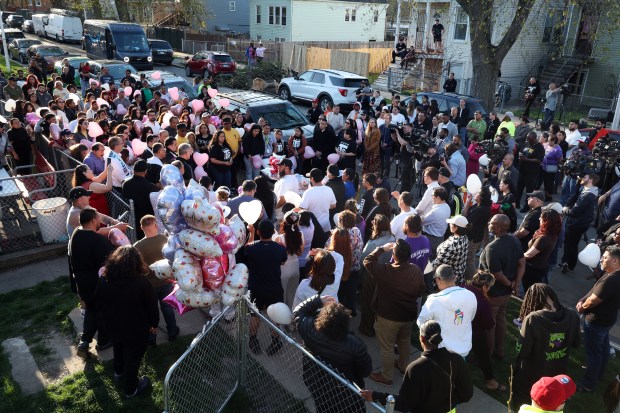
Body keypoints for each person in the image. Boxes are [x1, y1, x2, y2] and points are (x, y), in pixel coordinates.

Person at [361, 320, 473, 411]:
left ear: (422, 338)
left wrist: (375, 396)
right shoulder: (456, 359)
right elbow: (467, 394)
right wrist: (449, 403)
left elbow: (404, 404)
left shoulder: (416, 368)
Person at [98, 245, 158, 398]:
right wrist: (154, 324)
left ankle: (119, 372)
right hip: (135, 328)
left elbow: (100, 302)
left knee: (118, 347)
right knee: (133, 357)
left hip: (112, 324)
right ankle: (131, 389)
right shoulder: (142, 283)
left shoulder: (105, 280)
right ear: (137, 262)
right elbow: (152, 307)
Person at [294, 295, 372, 413]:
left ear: (322, 318)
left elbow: (298, 312)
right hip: (347, 394)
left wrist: (318, 300)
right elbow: (366, 371)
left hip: (318, 386)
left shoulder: (310, 331)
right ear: (345, 323)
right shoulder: (355, 345)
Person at [363, 239, 425, 385]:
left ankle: (386, 376)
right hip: (408, 315)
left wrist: (381, 249)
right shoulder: (415, 270)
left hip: (388, 317)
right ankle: (403, 367)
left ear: (394, 256)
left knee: (387, 347)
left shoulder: (386, 270)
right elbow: (421, 290)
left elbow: (367, 261)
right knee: (404, 341)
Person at [512, 284, 580, 407]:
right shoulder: (572, 315)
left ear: (530, 300)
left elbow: (522, 351)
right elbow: (576, 343)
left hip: (532, 378)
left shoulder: (533, 319)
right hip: (557, 375)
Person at [69, 207, 115, 359]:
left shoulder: (76, 234)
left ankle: (84, 341)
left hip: (82, 282)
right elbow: (109, 261)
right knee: (103, 311)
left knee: (91, 310)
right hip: (97, 283)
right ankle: (103, 341)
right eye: (98, 220)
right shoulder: (96, 240)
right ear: (94, 220)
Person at [479, 214, 525, 359]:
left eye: (491, 223)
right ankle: (500, 351)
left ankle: (488, 353)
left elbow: (496, 274)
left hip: (494, 292)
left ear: (498, 227)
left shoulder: (492, 248)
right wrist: (516, 284)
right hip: (506, 293)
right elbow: (522, 263)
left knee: (489, 324)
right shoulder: (515, 240)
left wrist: (511, 284)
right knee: (501, 319)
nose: (489, 224)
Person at [577, 246, 620, 391]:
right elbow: (594, 289)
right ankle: (598, 373)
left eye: (605, 257)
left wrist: (583, 306)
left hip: (597, 321)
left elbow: (594, 300)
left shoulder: (612, 279)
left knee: (593, 353)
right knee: (602, 348)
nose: (601, 259)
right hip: (607, 320)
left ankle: (588, 384)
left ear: (615, 260)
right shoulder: (611, 274)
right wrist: (583, 298)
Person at [245, 219, 288, 355]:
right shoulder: (280, 248)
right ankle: (276, 342)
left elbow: (247, 249)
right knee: (276, 316)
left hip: (256, 289)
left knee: (254, 315)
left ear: (258, 232)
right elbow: (282, 262)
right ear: (272, 232)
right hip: (274, 288)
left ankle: (253, 340)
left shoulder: (251, 248)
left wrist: (251, 234)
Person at [133, 215, 179, 343]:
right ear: (156, 225)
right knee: (167, 308)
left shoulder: (138, 246)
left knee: (150, 311)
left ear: (141, 227)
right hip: (165, 280)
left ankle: (151, 337)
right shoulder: (164, 239)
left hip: (149, 284)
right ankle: (172, 331)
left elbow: (136, 266)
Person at [418, 264, 477, 356]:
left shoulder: (433, 301)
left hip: (441, 351)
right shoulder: (470, 295)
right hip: (464, 348)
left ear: (438, 279)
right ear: (454, 277)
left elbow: (422, 323)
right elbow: (470, 318)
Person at [463, 271, 505, 391]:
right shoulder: (482, 302)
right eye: (490, 287)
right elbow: (489, 324)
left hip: (458, 326)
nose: (490, 289)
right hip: (474, 332)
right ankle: (491, 382)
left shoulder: (462, 287)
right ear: (485, 287)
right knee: (484, 355)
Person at [561, 174, 599, 274]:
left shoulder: (588, 195)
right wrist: (578, 186)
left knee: (572, 243)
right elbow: (574, 196)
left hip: (577, 224)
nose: (581, 178)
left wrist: (565, 210)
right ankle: (566, 261)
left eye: (584, 177)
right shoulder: (585, 190)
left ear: (590, 180)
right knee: (569, 242)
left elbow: (575, 211)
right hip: (576, 222)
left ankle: (569, 264)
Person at [522, 208, 561, 292]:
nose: (539, 219)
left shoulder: (543, 238)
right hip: (540, 267)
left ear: (546, 221)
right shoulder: (553, 233)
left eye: (541, 218)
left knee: (526, 291)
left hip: (532, 269)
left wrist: (517, 257)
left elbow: (529, 255)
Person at [122, 160, 159, 239]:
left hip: (131, 220)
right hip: (146, 221)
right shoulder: (151, 186)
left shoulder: (126, 184)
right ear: (145, 172)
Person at [274, 211, 304, 309]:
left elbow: (276, 257)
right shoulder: (301, 235)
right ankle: (291, 319)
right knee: (292, 296)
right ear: (297, 222)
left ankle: (281, 322)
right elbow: (300, 253)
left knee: (281, 296)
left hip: (283, 270)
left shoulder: (279, 238)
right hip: (295, 268)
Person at [463, 186, 492, 281]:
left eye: (477, 193)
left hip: (472, 238)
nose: (475, 194)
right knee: (469, 259)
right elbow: (465, 214)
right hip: (475, 237)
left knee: (469, 260)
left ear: (482, 197)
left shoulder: (480, 209)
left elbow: (466, 221)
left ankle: (471, 280)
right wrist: (468, 202)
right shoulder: (479, 206)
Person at [300, 168, 337, 232]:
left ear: (312, 179)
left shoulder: (308, 192)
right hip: (326, 226)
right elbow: (334, 205)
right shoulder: (329, 189)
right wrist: (324, 206)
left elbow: (302, 210)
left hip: (313, 227)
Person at [516, 132, 544, 212]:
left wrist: (527, 159)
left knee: (529, 190)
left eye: (530, 139)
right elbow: (521, 151)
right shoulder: (526, 144)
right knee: (519, 188)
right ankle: (517, 202)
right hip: (522, 170)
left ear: (535, 138)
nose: (528, 140)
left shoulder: (539, 147)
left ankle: (526, 206)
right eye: (527, 138)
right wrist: (520, 155)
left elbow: (539, 160)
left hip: (531, 172)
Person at [422, 186, 451, 254]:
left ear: (438, 198)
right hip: (440, 238)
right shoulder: (447, 207)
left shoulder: (435, 211)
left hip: (431, 239)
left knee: (429, 259)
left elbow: (422, 221)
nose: (431, 197)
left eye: (432, 195)